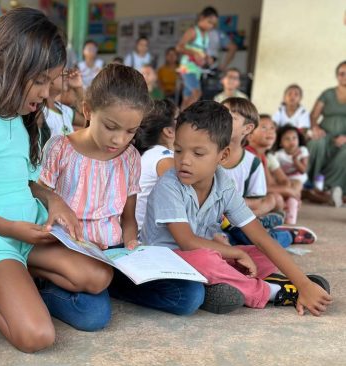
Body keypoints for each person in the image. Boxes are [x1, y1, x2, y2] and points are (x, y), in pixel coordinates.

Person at [0, 8, 113, 351]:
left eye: (52, 82)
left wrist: (55, 202)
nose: (47, 93)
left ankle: (16, 281)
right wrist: (9, 229)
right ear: (9, 65)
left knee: (98, 275)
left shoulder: (24, 116)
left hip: (30, 230)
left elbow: (29, 180)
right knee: (37, 337)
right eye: (41, 80)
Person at [40, 64, 234, 316]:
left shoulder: (130, 157)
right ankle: (46, 286)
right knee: (93, 316)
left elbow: (128, 217)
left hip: (113, 254)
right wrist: (53, 201)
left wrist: (132, 244)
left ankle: (110, 287)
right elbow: (39, 196)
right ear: (88, 110)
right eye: (110, 127)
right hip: (70, 252)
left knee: (189, 297)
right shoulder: (60, 148)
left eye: (130, 131)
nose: (119, 140)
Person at [141, 100, 332, 315]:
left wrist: (303, 282)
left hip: (206, 256)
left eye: (198, 153)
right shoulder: (169, 185)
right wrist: (233, 252)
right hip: (168, 262)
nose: (184, 160)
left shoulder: (224, 185)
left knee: (263, 254)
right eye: (178, 150)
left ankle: (231, 285)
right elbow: (187, 242)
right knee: (208, 259)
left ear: (222, 155)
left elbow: (260, 237)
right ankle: (271, 291)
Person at [246, 113, 315, 244]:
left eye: (272, 128)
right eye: (264, 127)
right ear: (249, 134)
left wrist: (287, 192)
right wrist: (288, 192)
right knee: (275, 199)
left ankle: (265, 222)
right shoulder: (250, 155)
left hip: (252, 201)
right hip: (242, 202)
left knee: (277, 199)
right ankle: (254, 222)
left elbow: (271, 183)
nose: (270, 131)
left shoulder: (262, 156)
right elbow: (263, 189)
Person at [134, 98, 177, 230]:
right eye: (180, 119)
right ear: (169, 131)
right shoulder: (163, 159)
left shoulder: (148, 154)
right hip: (148, 240)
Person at [307, 61, 346, 207]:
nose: (344, 76)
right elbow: (313, 116)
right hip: (326, 134)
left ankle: (332, 188)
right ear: (337, 76)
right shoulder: (327, 93)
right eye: (341, 73)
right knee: (316, 143)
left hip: (345, 138)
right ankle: (310, 185)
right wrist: (315, 128)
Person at [176, 6, 218, 108]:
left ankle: (180, 119)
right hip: (188, 68)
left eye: (213, 24)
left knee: (187, 97)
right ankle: (186, 117)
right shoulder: (193, 31)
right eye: (209, 22)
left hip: (197, 70)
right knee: (197, 93)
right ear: (202, 17)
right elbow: (179, 47)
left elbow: (202, 51)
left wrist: (208, 57)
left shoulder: (206, 35)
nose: (211, 26)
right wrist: (193, 53)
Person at [42, 69, 85, 142]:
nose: (66, 76)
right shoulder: (39, 112)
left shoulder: (63, 110)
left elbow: (88, 120)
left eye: (66, 72)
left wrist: (78, 88)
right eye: (62, 72)